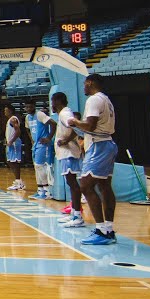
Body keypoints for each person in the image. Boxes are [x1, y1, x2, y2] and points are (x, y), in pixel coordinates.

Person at [68, 74, 119, 245]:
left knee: (85, 185)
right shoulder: (106, 99)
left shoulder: (93, 100)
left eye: (85, 84)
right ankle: (109, 228)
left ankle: (101, 230)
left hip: (99, 145)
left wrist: (75, 122)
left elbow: (90, 126)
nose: (83, 87)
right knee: (104, 186)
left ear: (90, 83)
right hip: (107, 143)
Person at [41, 93, 85, 228]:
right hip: (66, 153)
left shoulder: (64, 114)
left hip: (69, 153)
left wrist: (66, 140)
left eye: (52, 102)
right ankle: (74, 213)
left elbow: (77, 128)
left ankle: (77, 216)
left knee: (73, 184)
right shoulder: (64, 113)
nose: (51, 105)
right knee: (71, 184)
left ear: (58, 102)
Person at [26, 102, 54, 200]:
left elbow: (53, 123)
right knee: (37, 167)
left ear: (34, 106)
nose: (28, 108)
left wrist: (49, 138)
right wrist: (32, 139)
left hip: (43, 144)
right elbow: (28, 129)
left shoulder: (40, 114)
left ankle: (47, 191)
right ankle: (40, 190)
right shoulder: (28, 117)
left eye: (30, 106)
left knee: (41, 166)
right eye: (26, 107)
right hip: (36, 144)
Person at [4, 104, 25, 191]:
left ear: (10, 111)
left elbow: (18, 131)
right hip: (11, 143)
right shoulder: (10, 120)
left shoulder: (13, 119)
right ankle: (18, 181)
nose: (4, 112)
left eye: (6, 110)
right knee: (9, 161)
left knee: (15, 162)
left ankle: (19, 183)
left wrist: (11, 141)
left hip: (14, 143)